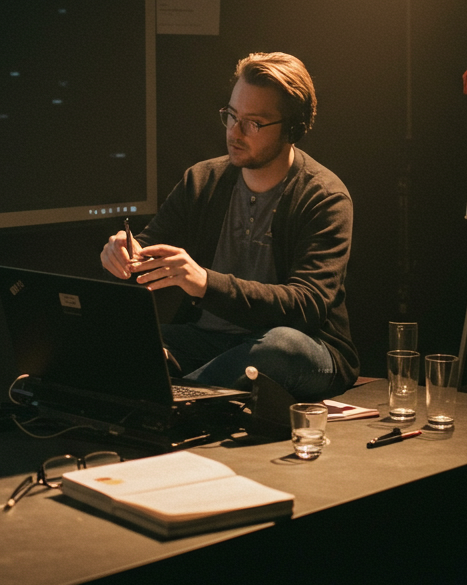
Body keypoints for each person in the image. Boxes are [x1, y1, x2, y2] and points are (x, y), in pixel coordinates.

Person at [100, 52, 359, 400]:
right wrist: (122, 252)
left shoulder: (324, 196)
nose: (234, 132)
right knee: (119, 334)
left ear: (293, 128)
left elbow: (306, 305)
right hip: (211, 341)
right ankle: (181, 386)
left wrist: (206, 283)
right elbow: (146, 250)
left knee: (279, 347)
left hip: (304, 347)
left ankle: (179, 395)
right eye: (231, 116)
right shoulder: (203, 180)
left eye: (253, 123)